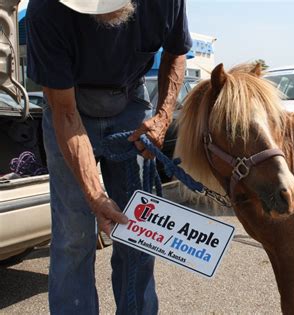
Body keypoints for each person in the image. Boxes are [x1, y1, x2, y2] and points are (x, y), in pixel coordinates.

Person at [25, 0, 192, 313]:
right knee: (73, 234)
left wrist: (162, 117)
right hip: (69, 105)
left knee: (138, 231)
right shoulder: (46, 10)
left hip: (131, 99)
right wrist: (95, 197)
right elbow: (65, 113)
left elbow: (176, 52)